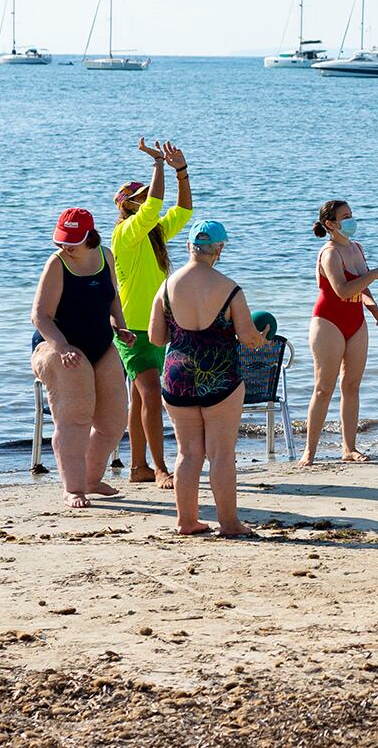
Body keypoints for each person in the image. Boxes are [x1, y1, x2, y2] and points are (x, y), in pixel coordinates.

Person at [148, 220, 269, 536]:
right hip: (220, 376)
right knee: (221, 453)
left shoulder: (166, 286)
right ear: (220, 249)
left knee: (188, 452)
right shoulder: (230, 289)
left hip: (177, 375)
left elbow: (156, 338)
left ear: (189, 246)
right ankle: (229, 523)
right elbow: (248, 339)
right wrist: (261, 338)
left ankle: (186, 521)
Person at [30, 208, 133, 509]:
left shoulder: (105, 255)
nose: (65, 245)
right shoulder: (57, 263)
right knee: (75, 417)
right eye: (61, 239)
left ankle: (90, 478)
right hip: (56, 345)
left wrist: (121, 326)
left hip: (101, 343)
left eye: (72, 240)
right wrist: (62, 347)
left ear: (90, 236)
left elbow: (112, 297)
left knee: (114, 420)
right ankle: (73, 488)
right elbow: (39, 316)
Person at [112, 138, 192, 489]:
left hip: (158, 328)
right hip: (131, 330)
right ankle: (160, 468)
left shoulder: (154, 233)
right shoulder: (125, 233)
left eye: (146, 194)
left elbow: (183, 211)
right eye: (140, 197)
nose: (147, 200)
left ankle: (138, 467)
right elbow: (156, 205)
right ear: (127, 206)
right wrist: (159, 165)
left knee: (140, 399)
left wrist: (181, 172)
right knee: (150, 394)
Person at [306, 199, 378, 464]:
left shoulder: (356, 248)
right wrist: (373, 274)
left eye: (351, 214)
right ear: (330, 224)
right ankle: (310, 451)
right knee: (323, 389)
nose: (351, 220)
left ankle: (349, 448)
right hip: (328, 322)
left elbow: (361, 287)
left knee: (351, 386)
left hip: (356, 321)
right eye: (345, 216)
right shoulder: (329, 253)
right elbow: (342, 291)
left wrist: (374, 308)